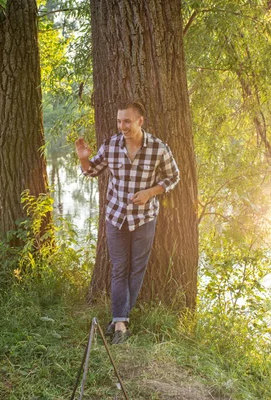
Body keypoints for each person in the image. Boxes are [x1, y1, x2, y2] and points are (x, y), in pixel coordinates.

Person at [75, 101, 179, 344]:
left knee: (137, 268)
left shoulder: (158, 148)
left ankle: (119, 319)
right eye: (119, 121)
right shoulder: (111, 145)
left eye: (127, 121)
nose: (122, 126)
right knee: (120, 268)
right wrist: (83, 159)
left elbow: (174, 176)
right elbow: (91, 171)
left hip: (144, 219)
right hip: (116, 216)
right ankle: (121, 321)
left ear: (140, 121)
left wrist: (150, 193)